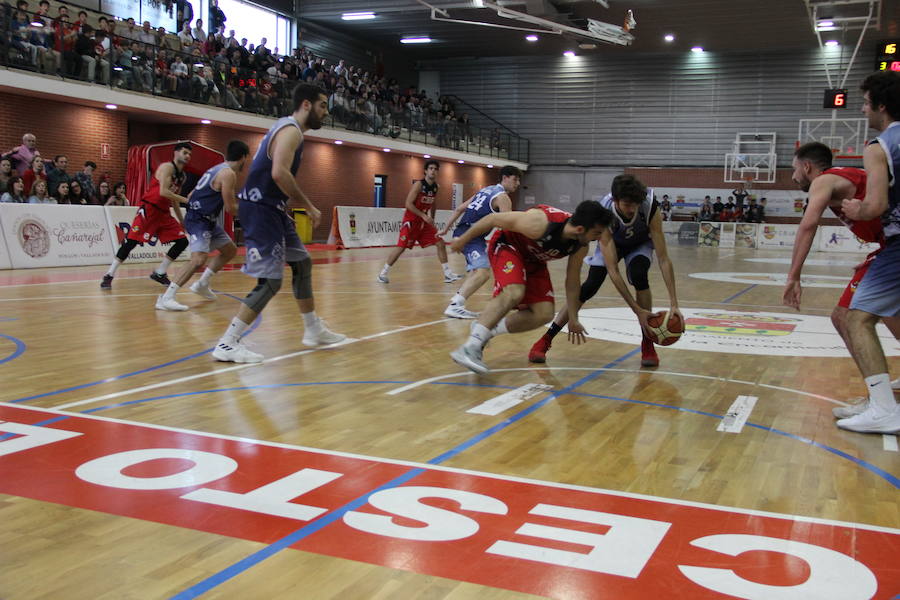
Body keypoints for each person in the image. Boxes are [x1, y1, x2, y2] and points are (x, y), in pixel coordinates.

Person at [212, 83, 346, 363]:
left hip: (272, 209)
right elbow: (279, 174)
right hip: (261, 210)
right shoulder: (291, 131)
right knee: (271, 281)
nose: (326, 112)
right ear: (306, 105)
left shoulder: (288, 129)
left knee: (302, 262)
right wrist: (307, 205)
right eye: (322, 105)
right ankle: (228, 342)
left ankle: (313, 329)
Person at [783, 141, 899, 417]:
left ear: (807, 166)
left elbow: (808, 225)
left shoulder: (822, 181)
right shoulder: (843, 177)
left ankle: (882, 405)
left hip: (894, 248)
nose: (793, 176)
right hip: (889, 247)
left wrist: (793, 276)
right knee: (889, 315)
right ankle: (881, 400)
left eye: (794, 169)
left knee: (846, 317)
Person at [528, 175, 682, 368]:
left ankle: (648, 343)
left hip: (639, 244)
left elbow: (663, 258)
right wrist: (636, 310)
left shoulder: (650, 206)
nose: (632, 209)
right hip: (612, 243)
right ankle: (546, 338)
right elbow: (613, 271)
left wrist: (674, 303)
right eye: (627, 204)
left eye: (635, 204)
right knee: (590, 286)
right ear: (616, 200)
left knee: (639, 275)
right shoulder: (605, 211)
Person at [449, 201, 614, 373]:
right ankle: (470, 347)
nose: (598, 238)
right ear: (580, 229)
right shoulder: (539, 222)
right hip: (508, 246)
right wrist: (463, 240)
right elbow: (492, 219)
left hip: (534, 260)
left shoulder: (580, 246)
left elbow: (572, 282)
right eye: (596, 233)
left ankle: (485, 329)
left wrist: (573, 318)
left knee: (544, 314)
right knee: (515, 292)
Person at [835, 71, 900, 433]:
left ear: (882, 105)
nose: (863, 110)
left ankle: (884, 409)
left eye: (865, 103)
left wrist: (856, 210)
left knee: (856, 319)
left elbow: (875, 205)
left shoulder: (880, 146)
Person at [156, 140, 248, 311]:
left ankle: (202, 284)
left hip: (206, 218)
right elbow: (231, 209)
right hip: (199, 219)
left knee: (230, 250)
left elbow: (192, 193)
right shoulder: (228, 174)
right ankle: (166, 297)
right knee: (198, 259)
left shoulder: (216, 168)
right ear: (243, 158)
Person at [101, 143, 192, 289]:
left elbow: (173, 198)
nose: (187, 156)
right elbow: (163, 192)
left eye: (189, 154)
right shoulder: (167, 167)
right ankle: (109, 275)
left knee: (182, 242)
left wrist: (182, 221)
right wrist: (187, 200)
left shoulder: (182, 176)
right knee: (130, 242)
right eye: (185, 152)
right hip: (149, 209)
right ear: (175, 153)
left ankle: (160, 272)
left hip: (163, 213)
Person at [439, 165, 521, 319]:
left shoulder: (485, 190)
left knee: (476, 272)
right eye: (515, 179)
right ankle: (455, 305)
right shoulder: (503, 198)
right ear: (504, 178)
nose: (517, 184)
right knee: (483, 273)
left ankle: (456, 302)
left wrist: (446, 229)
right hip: (470, 236)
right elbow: (508, 226)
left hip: (468, 234)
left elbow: (460, 209)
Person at [376, 159, 462, 284]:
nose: (433, 171)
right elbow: (408, 204)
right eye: (431, 168)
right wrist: (423, 215)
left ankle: (448, 274)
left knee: (440, 243)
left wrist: (432, 217)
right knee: (401, 248)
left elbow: (433, 203)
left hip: (424, 222)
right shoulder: (419, 185)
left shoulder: (436, 187)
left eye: (435, 169)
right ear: (426, 171)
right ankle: (382, 273)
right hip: (411, 221)